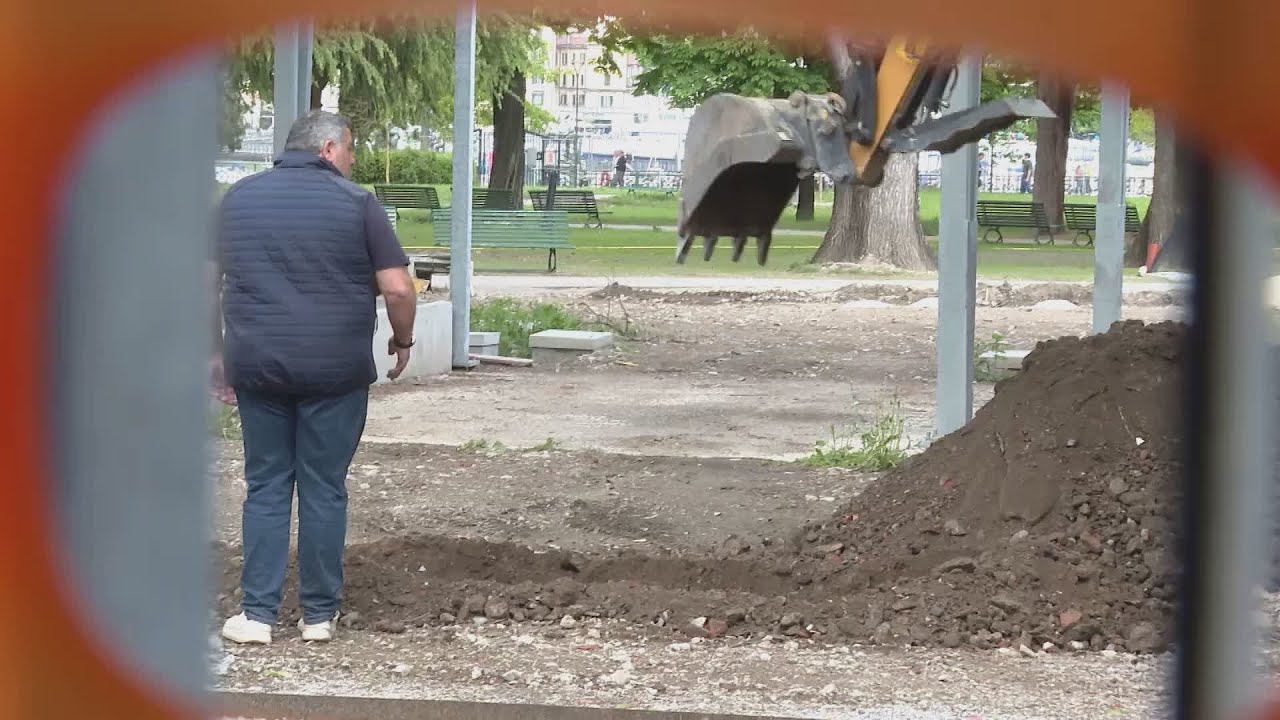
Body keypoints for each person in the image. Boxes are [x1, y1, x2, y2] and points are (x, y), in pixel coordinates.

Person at [209, 109, 419, 645]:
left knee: (267, 484)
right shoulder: (358, 204)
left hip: (258, 366)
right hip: (335, 371)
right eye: (349, 150)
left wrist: (215, 353)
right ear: (329, 149)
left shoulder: (238, 199)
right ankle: (319, 616)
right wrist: (403, 340)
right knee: (324, 487)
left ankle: (256, 615)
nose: (352, 160)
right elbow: (397, 288)